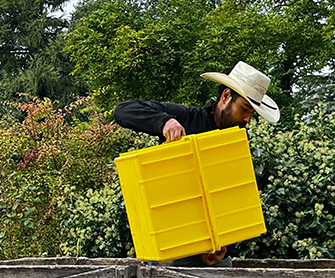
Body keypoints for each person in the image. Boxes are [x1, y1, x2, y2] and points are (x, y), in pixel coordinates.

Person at [114, 61, 280, 265]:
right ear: (226, 96)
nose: (247, 119)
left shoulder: (237, 141)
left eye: (251, 114)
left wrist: (224, 245)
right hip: (172, 253)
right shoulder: (186, 117)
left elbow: (233, 198)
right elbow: (123, 110)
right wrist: (164, 121)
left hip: (216, 260)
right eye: (244, 109)